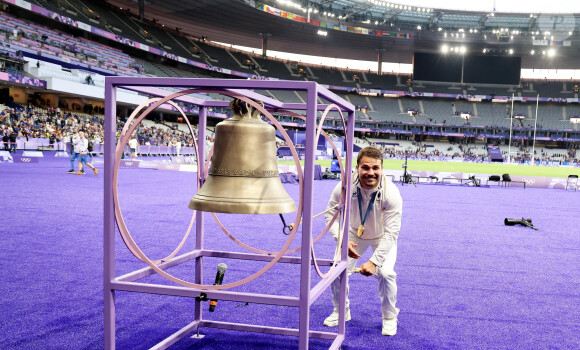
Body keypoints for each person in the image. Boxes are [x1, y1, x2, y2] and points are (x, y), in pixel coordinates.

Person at [323, 146, 402, 336]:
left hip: (382, 236)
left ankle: (389, 317)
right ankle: (341, 311)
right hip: (352, 234)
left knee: (386, 273)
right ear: (357, 167)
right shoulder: (344, 184)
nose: (371, 173)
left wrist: (374, 262)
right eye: (365, 168)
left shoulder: (391, 192)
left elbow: (392, 233)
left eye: (375, 168)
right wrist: (341, 240)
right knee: (335, 271)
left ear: (382, 168)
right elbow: (330, 215)